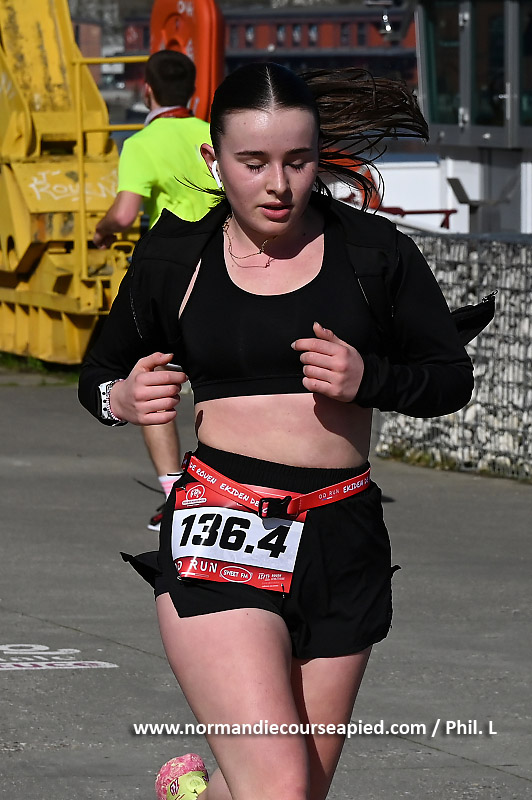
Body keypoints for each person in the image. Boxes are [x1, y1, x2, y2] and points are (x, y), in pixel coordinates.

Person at [79, 63, 474, 800]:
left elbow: (450, 378)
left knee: (292, 790)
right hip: (222, 525)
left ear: (319, 154)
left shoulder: (374, 254)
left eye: (297, 160)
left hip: (342, 533)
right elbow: (98, 376)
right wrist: (121, 397)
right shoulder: (176, 257)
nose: (278, 185)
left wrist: (371, 379)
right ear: (214, 159)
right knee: (279, 788)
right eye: (253, 162)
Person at [93, 50, 215, 530]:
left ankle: (175, 494)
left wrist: (103, 230)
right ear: (193, 90)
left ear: (147, 91)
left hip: (169, 275)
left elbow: (125, 214)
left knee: (153, 376)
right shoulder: (212, 133)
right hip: (226, 264)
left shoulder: (142, 142)